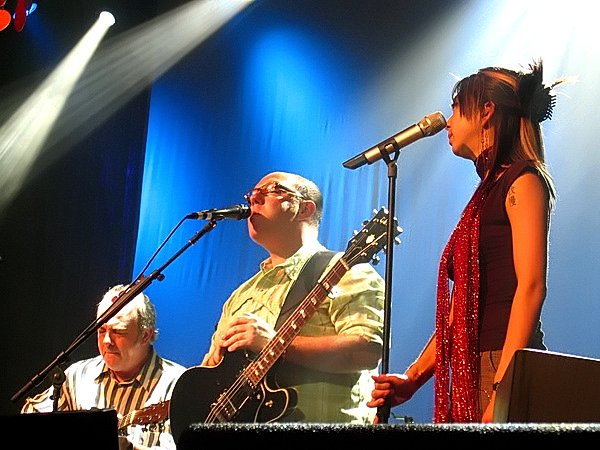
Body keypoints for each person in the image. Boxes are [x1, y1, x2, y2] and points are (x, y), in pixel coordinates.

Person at [367, 59, 567, 423]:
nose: (448, 121)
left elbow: (531, 287)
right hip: (473, 364)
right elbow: (460, 310)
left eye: (457, 109)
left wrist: (503, 387)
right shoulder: (486, 194)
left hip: (502, 362)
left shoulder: (524, 181)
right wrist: (412, 379)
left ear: (486, 112)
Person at [201, 171, 385, 424]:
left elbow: (365, 351)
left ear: (305, 209)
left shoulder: (347, 272)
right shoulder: (241, 294)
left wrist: (274, 343)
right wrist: (216, 363)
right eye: (253, 194)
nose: (255, 198)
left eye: (272, 190)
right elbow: (209, 375)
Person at [21, 284, 187, 450]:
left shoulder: (178, 385)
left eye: (118, 332)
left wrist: (128, 447)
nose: (107, 341)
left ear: (146, 335)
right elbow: (31, 415)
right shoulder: (77, 376)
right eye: (101, 330)